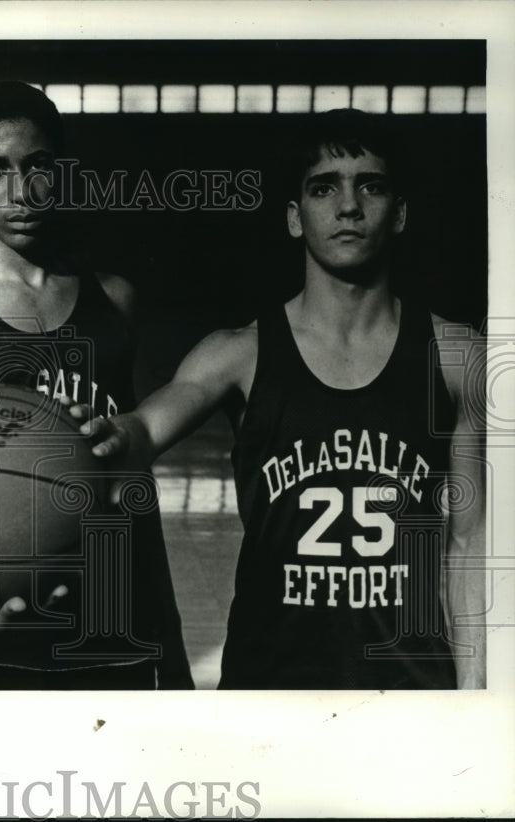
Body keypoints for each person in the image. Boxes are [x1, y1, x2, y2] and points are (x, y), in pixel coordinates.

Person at [81, 109, 486, 689]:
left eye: (369, 185)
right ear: (295, 219)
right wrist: (118, 434)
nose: (348, 206)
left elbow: (472, 538)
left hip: (410, 691)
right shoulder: (237, 354)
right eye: (325, 188)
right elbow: (147, 425)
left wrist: (474, 682)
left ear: (399, 213)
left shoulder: (454, 357)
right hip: (270, 689)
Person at [0, 81, 193, 690]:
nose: (21, 191)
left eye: (38, 168)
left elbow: (133, 485)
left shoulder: (116, 302)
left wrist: (170, 644)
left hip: (109, 625)